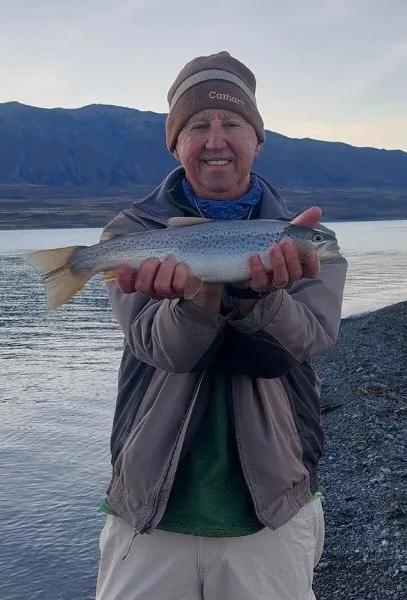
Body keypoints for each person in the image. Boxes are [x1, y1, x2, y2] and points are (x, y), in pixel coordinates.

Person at [93, 50, 348, 600]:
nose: (215, 139)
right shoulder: (128, 236)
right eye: (197, 127)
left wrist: (264, 297)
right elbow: (160, 349)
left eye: (232, 123)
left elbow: (305, 343)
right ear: (176, 143)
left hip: (274, 505)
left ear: (257, 140)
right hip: (150, 506)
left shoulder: (307, 241)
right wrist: (195, 297)